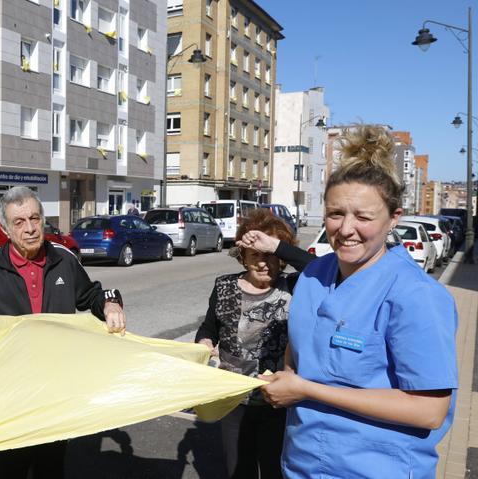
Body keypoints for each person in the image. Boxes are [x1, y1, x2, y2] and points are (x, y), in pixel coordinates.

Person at [259, 125, 458, 478]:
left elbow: (429, 411)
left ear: (394, 218)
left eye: (364, 217)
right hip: (301, 465)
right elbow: (298, 352)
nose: (346, 229)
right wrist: (285, 379)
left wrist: (306, 390)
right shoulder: (313, 276)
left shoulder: (417, 296)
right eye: (336, 214)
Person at [0, 186, 126, 479]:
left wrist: (110, 305)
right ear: (5, 229)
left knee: (51, 469)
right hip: (6, 398)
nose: (31, 229)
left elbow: (92, 295)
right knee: (8, 471)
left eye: (35, 218)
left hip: (54, 392)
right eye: (19, 222)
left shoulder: (64, 259)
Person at [195, 209, 298, 479]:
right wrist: (204, 342)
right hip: (234, 399)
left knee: (275, 469)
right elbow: (209, 327)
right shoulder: (224, 286)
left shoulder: (296, 286)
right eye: (256, 255)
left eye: (271, 256)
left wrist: (277, 245)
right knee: (238, 469)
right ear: (244, 257)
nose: (264, 263)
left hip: (277, 400)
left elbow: (322, 267)